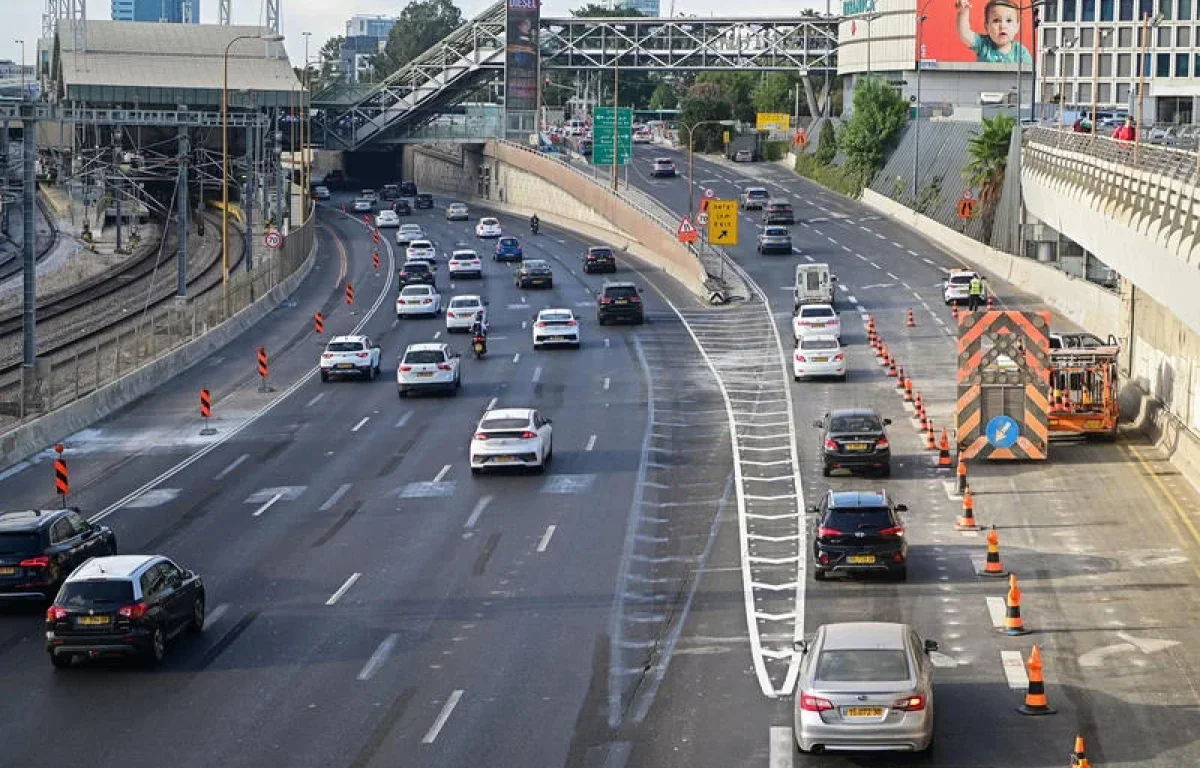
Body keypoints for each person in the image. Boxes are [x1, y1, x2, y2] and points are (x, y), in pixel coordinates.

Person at [956, 0, 1033, 64]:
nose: (1003, 26)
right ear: (987, 27)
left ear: (1017, 27)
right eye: (996, 20)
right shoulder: (983, 44)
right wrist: (963, 13)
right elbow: (965, 34)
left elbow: (1029, 75)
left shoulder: (1020, 52)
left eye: (1009, 20)